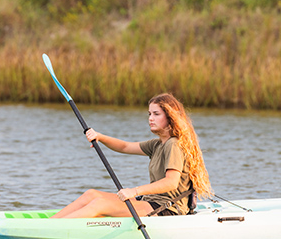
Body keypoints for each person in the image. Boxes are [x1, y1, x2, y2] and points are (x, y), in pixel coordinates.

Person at [51, 93, 212, 219]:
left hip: (168, 209)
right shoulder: (157, 144)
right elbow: (125, 146)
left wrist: (133, 191)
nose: (150, 118)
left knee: (99, 205)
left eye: (156, 114)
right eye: (149, 113)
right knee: (92, 194)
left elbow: (171, 182)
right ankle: (49, 224)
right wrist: (99, 136)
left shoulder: (173, 144)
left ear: (170, 117)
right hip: (152, 202)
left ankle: (51, 230)